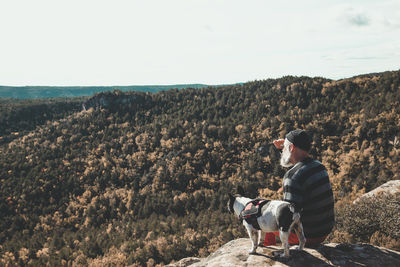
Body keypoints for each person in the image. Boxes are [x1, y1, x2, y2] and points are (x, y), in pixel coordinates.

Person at [263, 129, 335, 247]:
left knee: (263, 215)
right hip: (324, 230)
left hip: (308, 236)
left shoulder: (291, 177)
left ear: (291, 148)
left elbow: (287, 218)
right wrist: (285, 147)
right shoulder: (319, 166)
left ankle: (268, 251)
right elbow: (299, 170)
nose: (283, 151)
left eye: (285, 148)